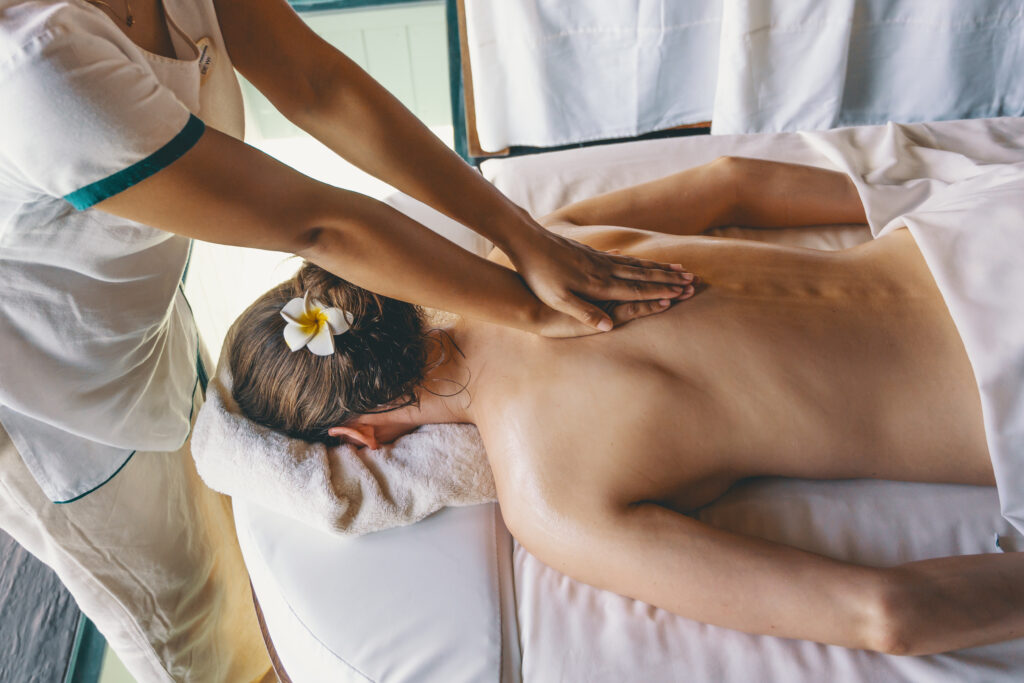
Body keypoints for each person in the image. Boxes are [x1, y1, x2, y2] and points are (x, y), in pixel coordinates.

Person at [0, 0, 692, 679]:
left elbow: (317, 83)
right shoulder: (34, 68)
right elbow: (318, 226)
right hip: (48, 397)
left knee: (218, 544)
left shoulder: (559, 497)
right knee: (185, 620)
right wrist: (530, 303)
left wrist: (520, 238)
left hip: (127, 319)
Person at [228, 156, 1024, 655]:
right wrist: (920, 192)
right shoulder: (538, 249)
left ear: (357, 435)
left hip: (1001, 377)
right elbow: (732, 182)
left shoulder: (551, 494)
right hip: (982, 226)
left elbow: (887, 616)